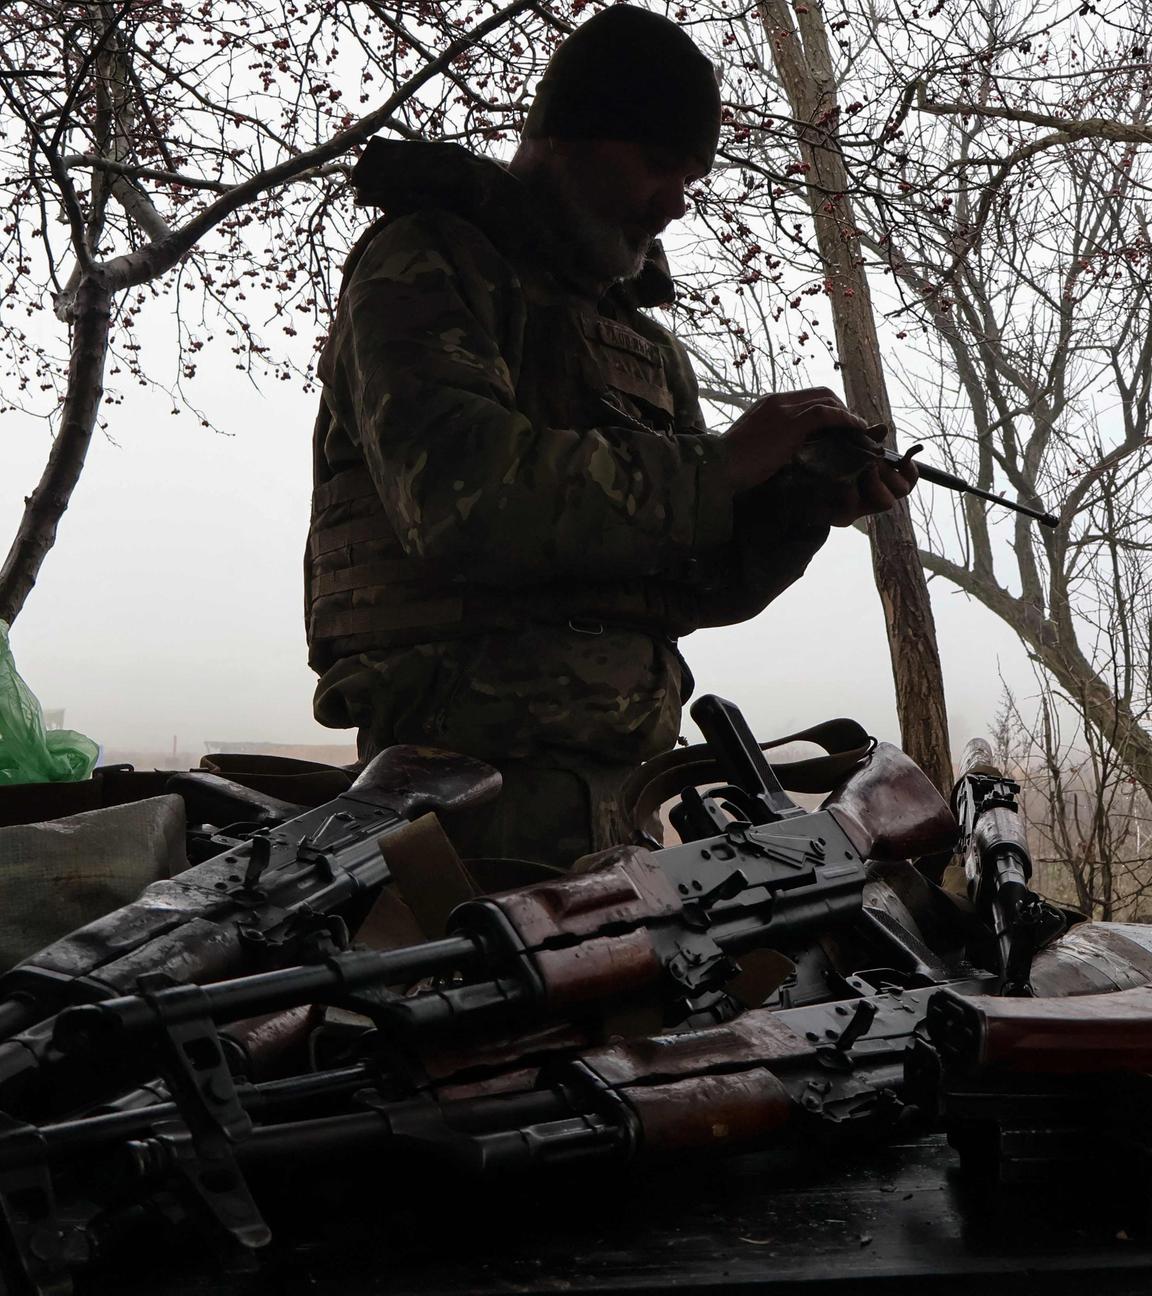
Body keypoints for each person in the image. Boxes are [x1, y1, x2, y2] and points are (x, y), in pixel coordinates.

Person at [304, 5, 916, 868]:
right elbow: (456, 500)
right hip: (459, 797)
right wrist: (723, 465)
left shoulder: (642, 344)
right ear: (565, 138)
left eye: (690, 177)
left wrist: (796, 505)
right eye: (657, 165)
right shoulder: (429, 261)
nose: (674, 203)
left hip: (623, 797)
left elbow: (692, 585)